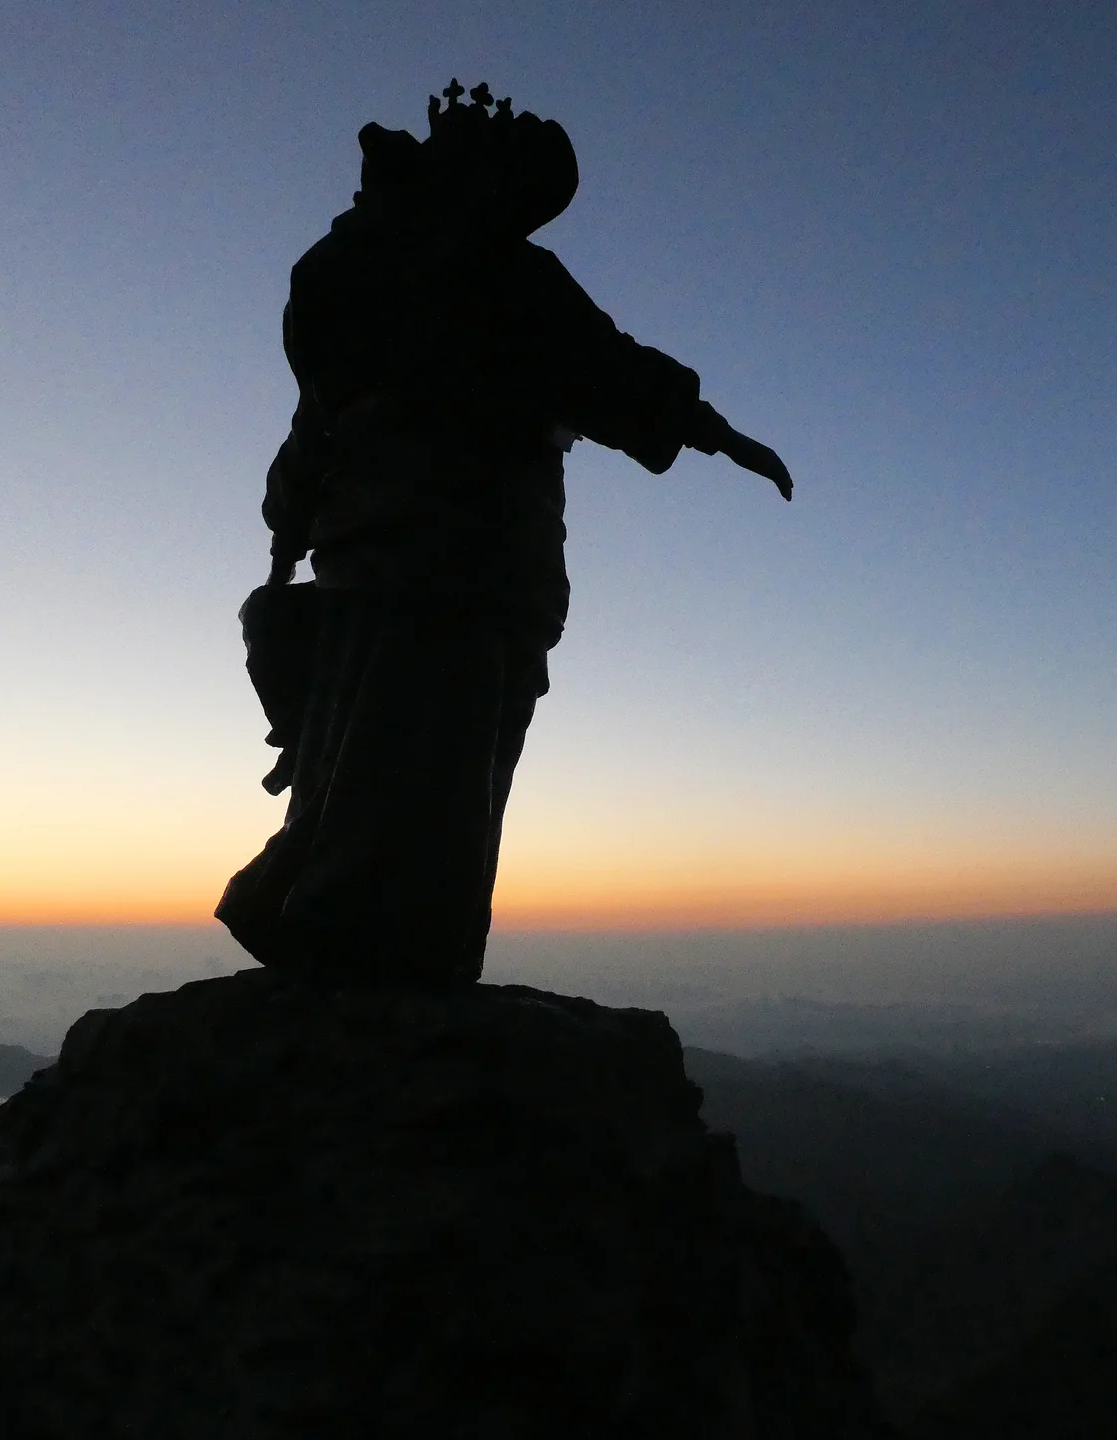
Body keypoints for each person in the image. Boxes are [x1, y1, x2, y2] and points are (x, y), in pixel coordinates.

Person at [217, 82, 793, 985]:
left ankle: (335, 933)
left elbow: (313, 426)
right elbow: (612, 372)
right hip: (472, 560)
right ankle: (378, 962)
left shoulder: (352, 269)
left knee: (371, 751)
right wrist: (714, 430)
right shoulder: (497, 277)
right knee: (441, 763)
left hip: (387, 553)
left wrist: (291, 527)